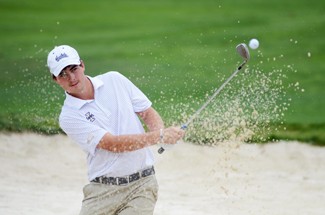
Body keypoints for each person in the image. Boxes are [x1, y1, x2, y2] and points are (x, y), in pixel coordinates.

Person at [47, 45, 185, 215]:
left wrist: (162, 135)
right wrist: (159, 136)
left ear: (82, 65)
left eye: (73, 69)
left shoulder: (114, 79)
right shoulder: (69, 116)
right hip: (102, 191)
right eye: (63, 74)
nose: (71, 77)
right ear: (55, 79)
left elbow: (147, 113)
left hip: (142, 185)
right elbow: (113, 144)